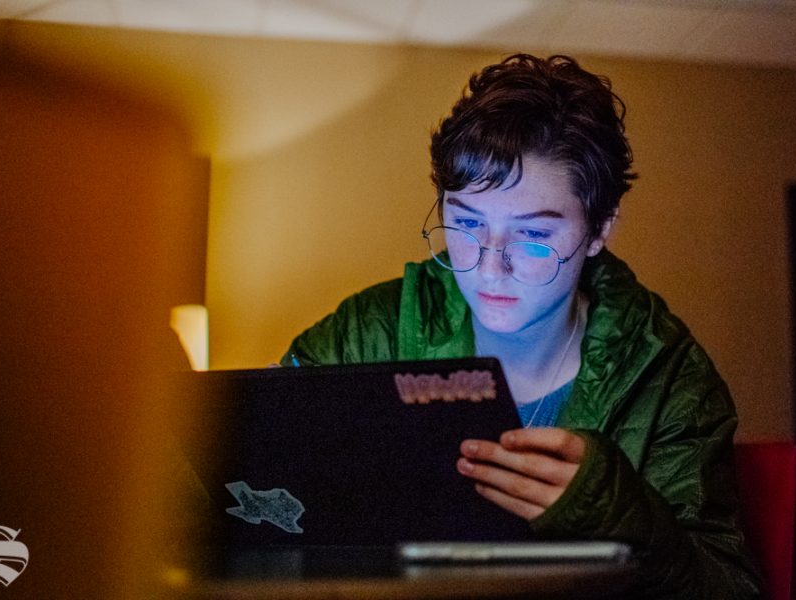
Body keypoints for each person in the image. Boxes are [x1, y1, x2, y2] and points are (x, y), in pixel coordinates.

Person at [280, 53, 760, 598]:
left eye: (533, 236)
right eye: (465, 222)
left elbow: (729, 588)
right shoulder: (362, 335)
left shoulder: (671, 379)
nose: (489, 265)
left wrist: (615, 511)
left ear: (600, 229)